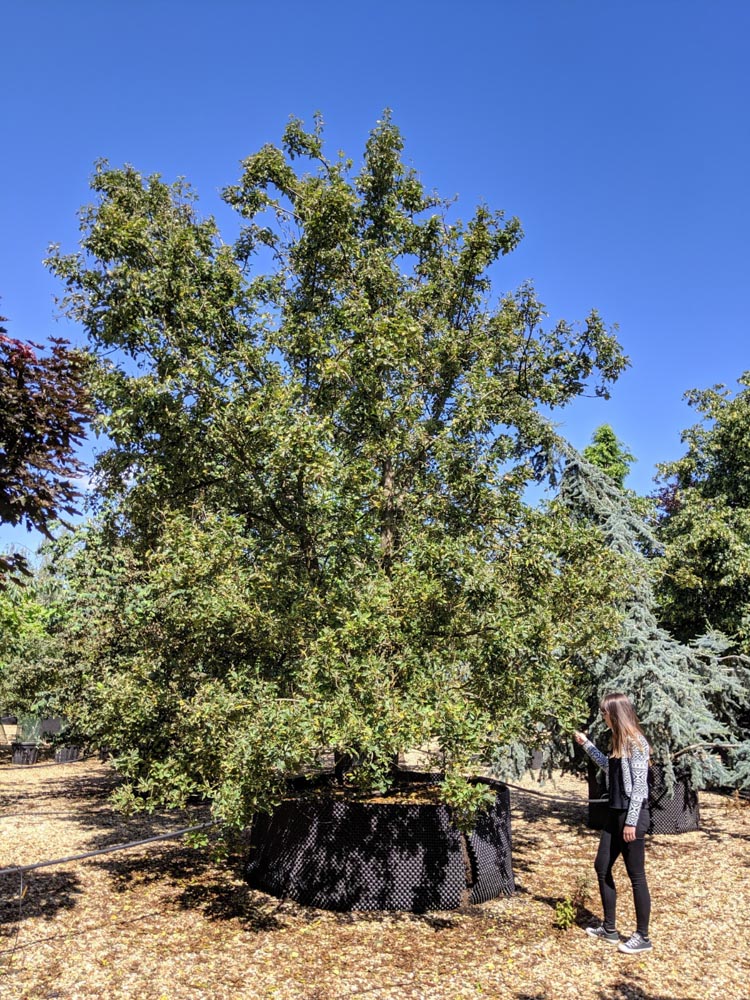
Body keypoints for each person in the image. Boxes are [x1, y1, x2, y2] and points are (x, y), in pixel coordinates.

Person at [574, 692, 652, 955]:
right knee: (602, 866)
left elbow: (640, 788)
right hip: (614, 815)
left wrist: (631, 823)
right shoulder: (619, 742)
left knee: (636, 877)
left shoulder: (637, 743)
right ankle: (609, 929)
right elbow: (609, 767)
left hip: (632, 818)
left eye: (604, 712)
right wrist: (586, 744)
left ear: (615, 713)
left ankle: (642, 937)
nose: (602, 716)